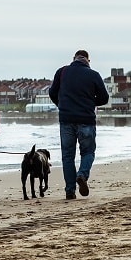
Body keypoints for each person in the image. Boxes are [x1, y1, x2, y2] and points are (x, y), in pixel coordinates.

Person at [49, 50, 110, 200]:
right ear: (88, 60)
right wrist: (90, 102)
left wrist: (62, 105)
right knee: (88, 152)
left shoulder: (62, 72)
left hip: (66, 119)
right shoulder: (94, 75)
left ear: (74, 58)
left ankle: (70, 190)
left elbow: (52, 92)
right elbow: (104, 98)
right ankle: (82, 174)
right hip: (86, 119)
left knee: (67, 156)